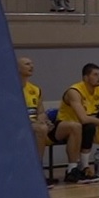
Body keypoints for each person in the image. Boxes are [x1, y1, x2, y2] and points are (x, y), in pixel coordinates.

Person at [57, 62, 99, 183]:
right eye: (95, 74)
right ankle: (85, 167)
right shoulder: (74, 91)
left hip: (91, 123)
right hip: (67, 125)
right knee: (88, 127)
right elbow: (83, 118)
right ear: (86, 77)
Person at [20, 56, 82, 186]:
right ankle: (37, 171)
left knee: (75, 126)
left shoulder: (36, 89)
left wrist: (43, 120)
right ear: (17, 68)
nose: (31, 66)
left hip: (38, 128)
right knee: (41, 129)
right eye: (27, 64)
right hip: (21, 128)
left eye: (32, 63)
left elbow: (40, 112)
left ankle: (72, 169)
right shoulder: (11, 89)